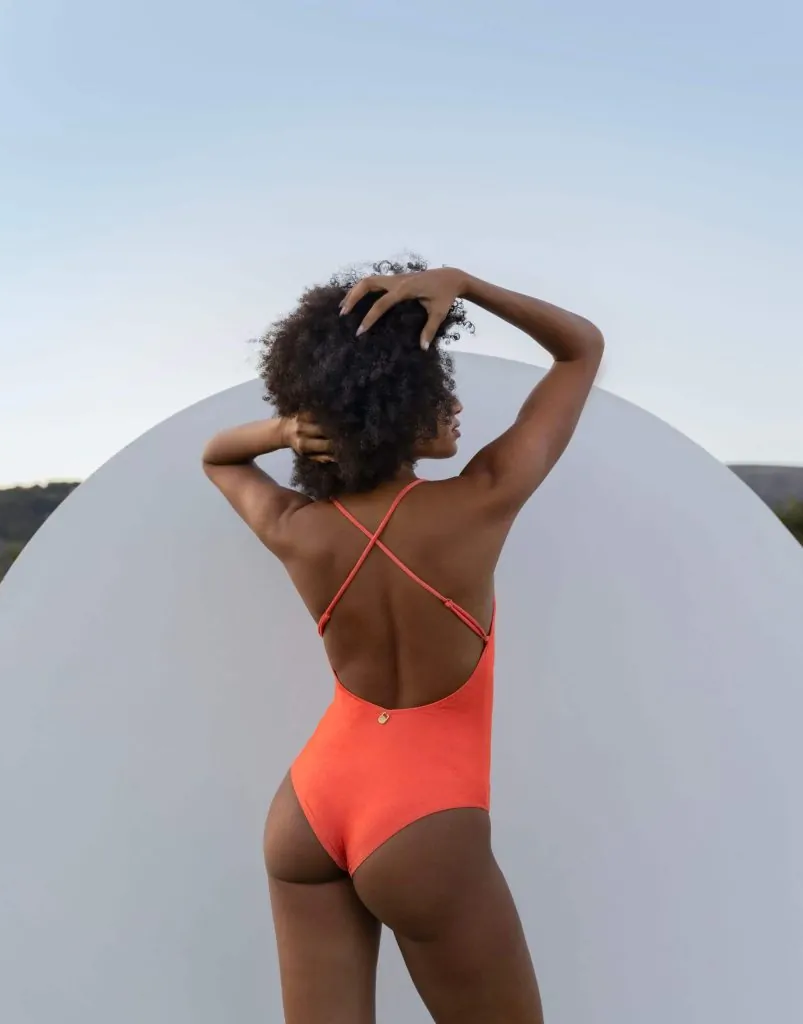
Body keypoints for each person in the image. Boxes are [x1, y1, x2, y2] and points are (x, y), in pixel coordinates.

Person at [202, 259, 604, 1024]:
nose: (455, 406)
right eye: (435, 390)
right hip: (421, 820)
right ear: (398, 409)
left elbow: (218, 456)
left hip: (308, 810)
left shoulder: (294, 528)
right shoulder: (483, 497)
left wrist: (286, 431)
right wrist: (468, 285)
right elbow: (580, 348)